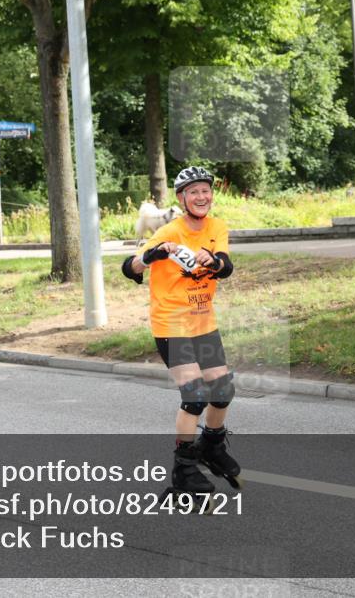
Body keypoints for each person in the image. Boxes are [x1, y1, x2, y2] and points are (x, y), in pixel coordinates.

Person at [121, 166, 240, 500]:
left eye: (206, 191)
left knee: (223, 391)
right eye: (193, 192)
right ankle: (183, 471)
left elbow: (226, 266)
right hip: (171, 324)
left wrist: (214, 261)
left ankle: (211, 447)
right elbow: (130, 267)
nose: (201, 197)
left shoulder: (217, 227)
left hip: (203, 323)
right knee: (195, 396)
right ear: (181, 198)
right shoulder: (170, 231)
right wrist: (150, 256)